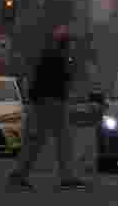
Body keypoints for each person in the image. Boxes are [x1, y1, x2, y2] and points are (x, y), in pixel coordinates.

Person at [6, 24, 88, 191]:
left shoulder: (49, 54)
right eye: (69, 41)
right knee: (62, 140)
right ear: (64, 42)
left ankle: (19, 175)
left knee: (37, 140)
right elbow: (64, 79)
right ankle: (66, 176)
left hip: (41, 102)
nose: (71, 44)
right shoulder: (58, 57)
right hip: (52, 102)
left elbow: (38, 80)